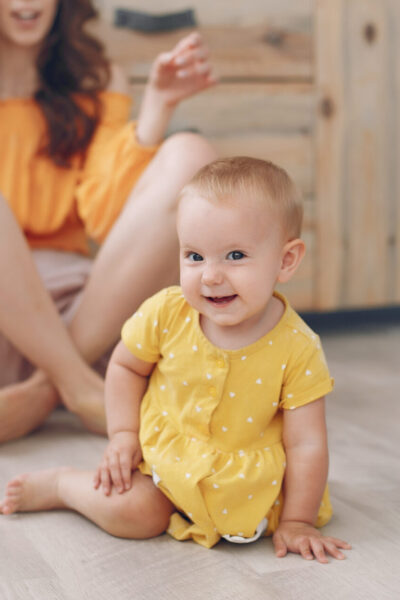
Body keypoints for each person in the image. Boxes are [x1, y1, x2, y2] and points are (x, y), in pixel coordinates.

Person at [0, 157, 352, 562]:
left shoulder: (298, 346)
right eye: (194, 256)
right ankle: (63, 486)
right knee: (133, 514)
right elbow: (125, 367)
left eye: (235, 256)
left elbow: (306, 443)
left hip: (247, 486)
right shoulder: (167, 313)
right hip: (166, 465)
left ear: (286, 261)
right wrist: (124, 434)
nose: (210, 276)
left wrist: (298, 521)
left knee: (266, 515)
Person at [0, 0, 218, 443]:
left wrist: (157, 106)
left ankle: (54, 388)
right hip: (9, 325)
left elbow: (106, 215)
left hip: (86, 318)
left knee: (191, 154)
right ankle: (76, 385)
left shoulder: (94, 81)